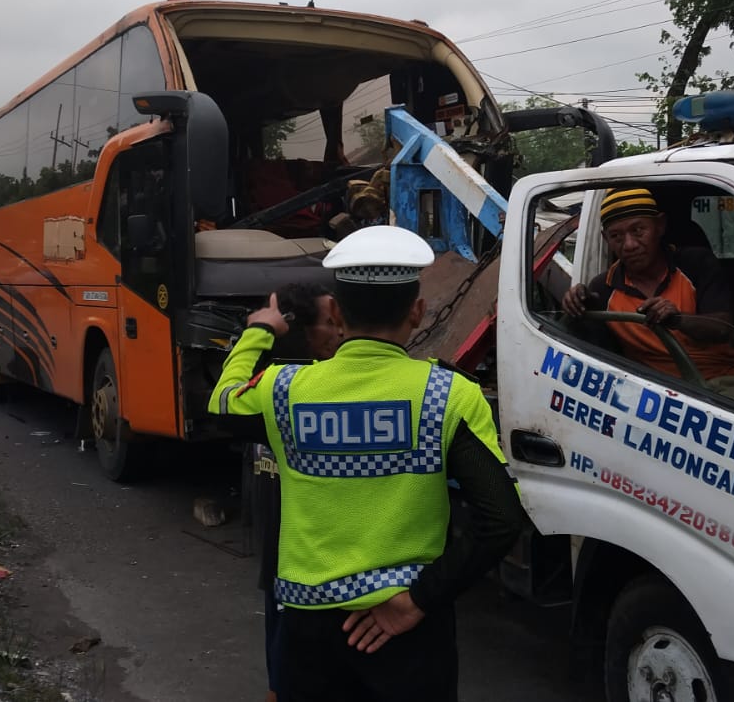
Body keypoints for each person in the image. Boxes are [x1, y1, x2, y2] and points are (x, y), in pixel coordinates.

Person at [209, 225, 525, 702]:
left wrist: (257, 331)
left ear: (335, 311)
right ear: (418, 311)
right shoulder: (448, 396)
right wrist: (418, 601)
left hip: (308, 631)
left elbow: (221, 401)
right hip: (409, 631)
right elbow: (500, 517)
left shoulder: (284, 390)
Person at [562, 188, 734, 420]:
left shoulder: (696, 263)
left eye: (638, 230)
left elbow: (721, 328)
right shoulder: (603, 288)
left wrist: (677, 320)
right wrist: (576, 301)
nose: (629, 244)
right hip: (658, 397)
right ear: (606, 239)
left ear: (660, 226)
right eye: (617, 236)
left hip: (733, 381)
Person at [243, 282, 344, 702]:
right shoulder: (285, 391)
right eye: (329, 324)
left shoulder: (271, 389)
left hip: (303, 568)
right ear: (302, 334)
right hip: (293, 568)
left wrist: (257, 334)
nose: (339, 333)